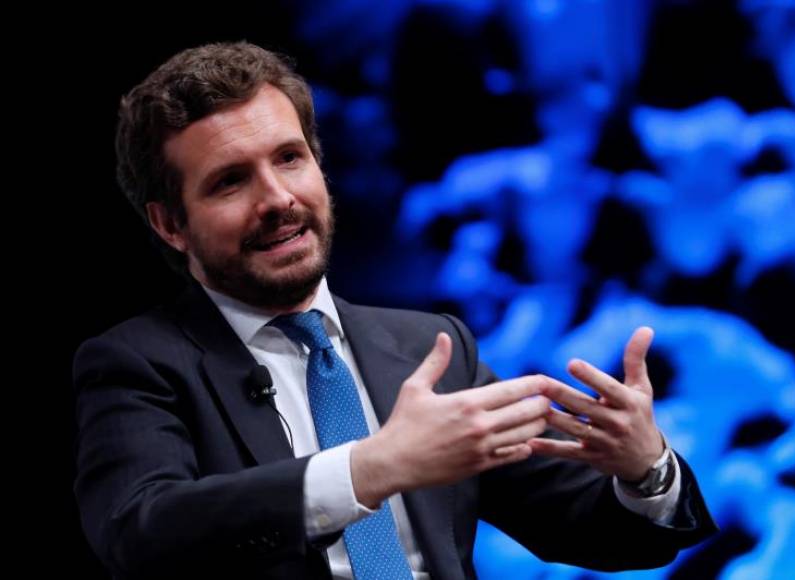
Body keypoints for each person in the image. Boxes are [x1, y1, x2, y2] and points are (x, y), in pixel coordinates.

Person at [73, 41, 717, 580]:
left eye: (290, 159)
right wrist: (372, 467)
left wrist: (645, 468)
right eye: (230, 181)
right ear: (170, 224)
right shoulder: (139, 363)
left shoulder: (429, 346)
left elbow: (600, 534)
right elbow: (140, 532)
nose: (277, 198)